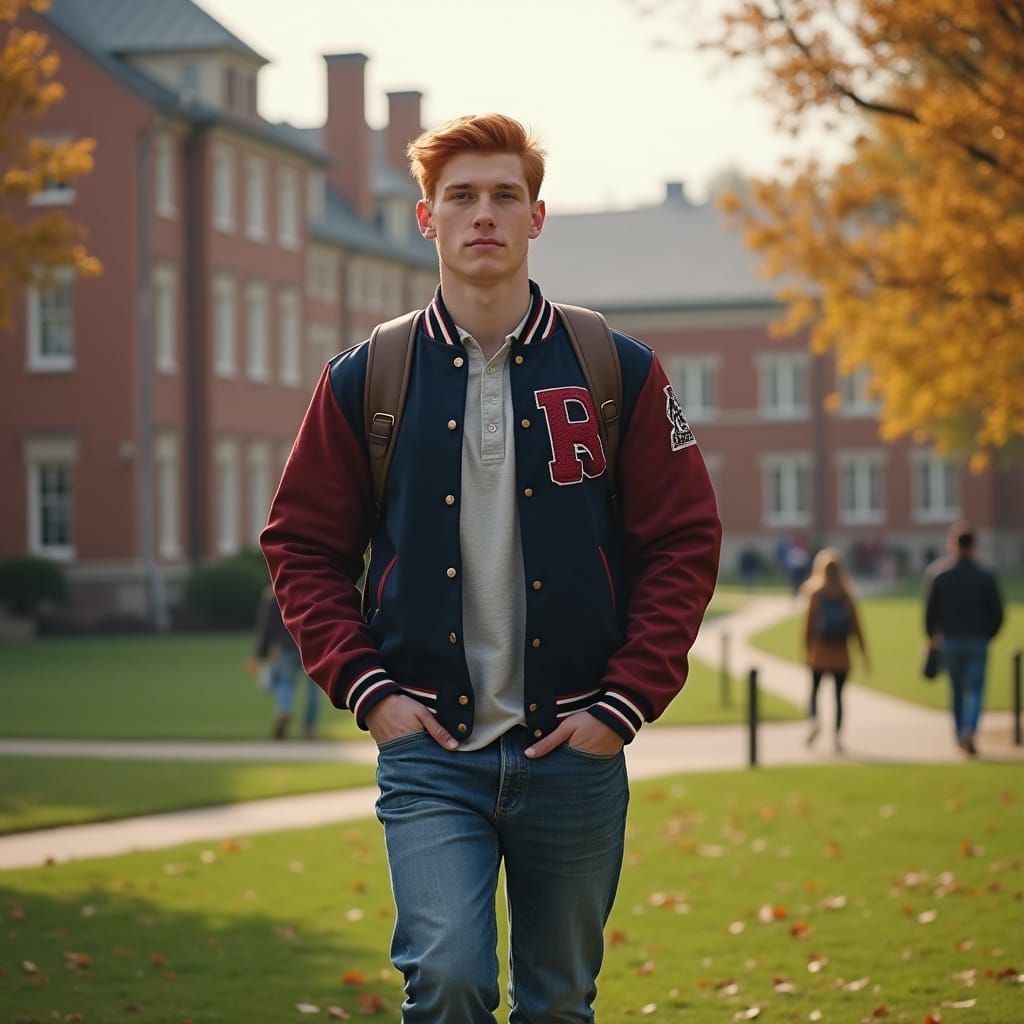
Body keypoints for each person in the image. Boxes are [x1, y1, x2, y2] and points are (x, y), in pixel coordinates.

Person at [260, 114, 721, 1023]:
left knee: (557, 1003)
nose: (484, 215)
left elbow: (682, 543)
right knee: (450, 979)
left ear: (537, 217)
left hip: (575, 751)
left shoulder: (615, 369)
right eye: (461, 197)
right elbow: (302, 546)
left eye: (505, 195)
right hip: (431, 757)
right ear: (426, 220)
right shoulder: (367, 378)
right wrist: (368, 689)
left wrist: (622, 703)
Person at [924, 522, 1004, 756]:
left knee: (956, 690)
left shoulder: (941, 576)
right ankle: (970, 728)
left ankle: (960, 732)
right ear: (975, 547)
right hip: (977, 640)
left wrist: (932, 636)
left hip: (950, 641)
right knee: (976, 690)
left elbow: (930, 612)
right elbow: (998, 613)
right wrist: (988, 634)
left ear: (952, 545)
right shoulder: (985, 576)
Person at [801, 548, 869, 753]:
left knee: (814, 692)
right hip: (841, 655)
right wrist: (864, 655)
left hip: (820, 654)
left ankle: (815, 720)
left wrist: (806, 650)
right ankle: (837, 737)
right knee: (839, 698)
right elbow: (858, 628)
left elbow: (808, 626)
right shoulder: (846, 594)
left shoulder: (815, 594)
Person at [247, 584, 320, 740]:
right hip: (311, 646)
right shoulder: (311, 588)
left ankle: (284, 710)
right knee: (313, 690)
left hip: (284, 648)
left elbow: (265, 626)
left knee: (285, 683)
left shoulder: (273, 593)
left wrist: (258, 654)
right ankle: (309, 728)